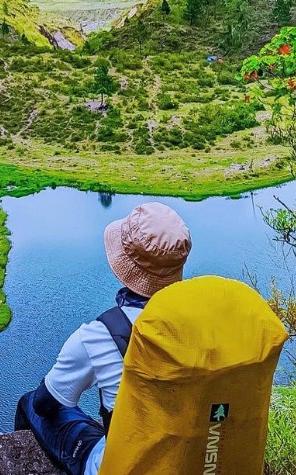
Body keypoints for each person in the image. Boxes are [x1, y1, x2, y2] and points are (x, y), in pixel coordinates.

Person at [15, 202, 192, 475]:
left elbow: (46, 403)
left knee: (30, 404)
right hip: (194, 459)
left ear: (126, 266)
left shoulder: (100, 336)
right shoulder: (203, 320)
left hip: (121, 467)